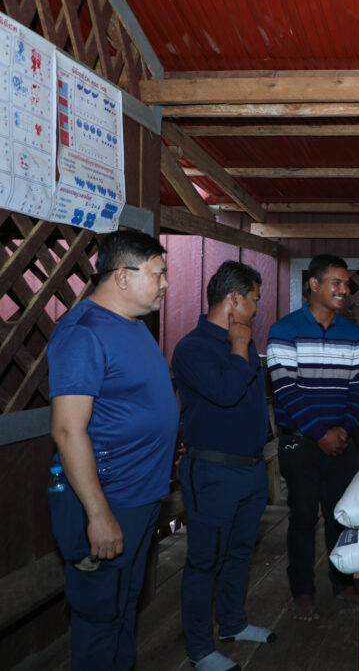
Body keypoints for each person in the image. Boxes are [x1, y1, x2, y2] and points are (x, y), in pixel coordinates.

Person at [47, 231, 178, 670]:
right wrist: (99, 514)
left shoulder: (134, 325)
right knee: (100, 620)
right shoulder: (84, 333)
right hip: (106, 500)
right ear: (122, 276)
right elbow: (67, 431)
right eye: (158, 273)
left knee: (124, 608)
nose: (165, 283)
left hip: (139, 498)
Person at [171, 261, 276, 671]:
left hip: (250, 469)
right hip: (213, 472)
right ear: (234, 298)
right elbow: (226, 392)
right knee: (204, 562)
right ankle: (199, 650)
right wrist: (239, 345)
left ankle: (233, 623)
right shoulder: (193, 348)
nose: (256, 308)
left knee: (239, 552)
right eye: (254, 299)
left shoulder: (242, 342)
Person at [266, 254, 359, 620]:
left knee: (342, 516)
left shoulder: (352, 334)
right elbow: (285, 389)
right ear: (314, 284)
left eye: (346, 283)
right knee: (303, 517)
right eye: (336, 282)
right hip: (300, 442)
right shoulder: (284, 330)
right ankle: (303, 591)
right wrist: (319, 433)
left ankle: (342, 582)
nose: (344, 289)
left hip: (341, 441)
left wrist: (343, 430)